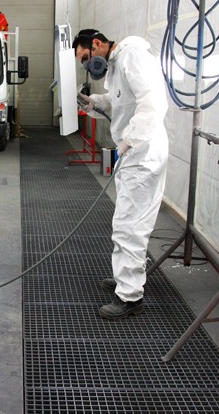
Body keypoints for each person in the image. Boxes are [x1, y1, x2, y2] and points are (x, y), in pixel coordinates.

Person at [72, 29, 169, 320]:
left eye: (87, 58)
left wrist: (130, 140)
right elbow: (121, 102)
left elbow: (153, 103)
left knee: (130, 225)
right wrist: (96, 102)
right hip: (133, 152)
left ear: (98, 43)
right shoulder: (115, 65)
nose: (88, 66)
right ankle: (126, 279)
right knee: (124, 221)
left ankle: (130, 297)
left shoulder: (133, 56)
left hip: (142, 153)